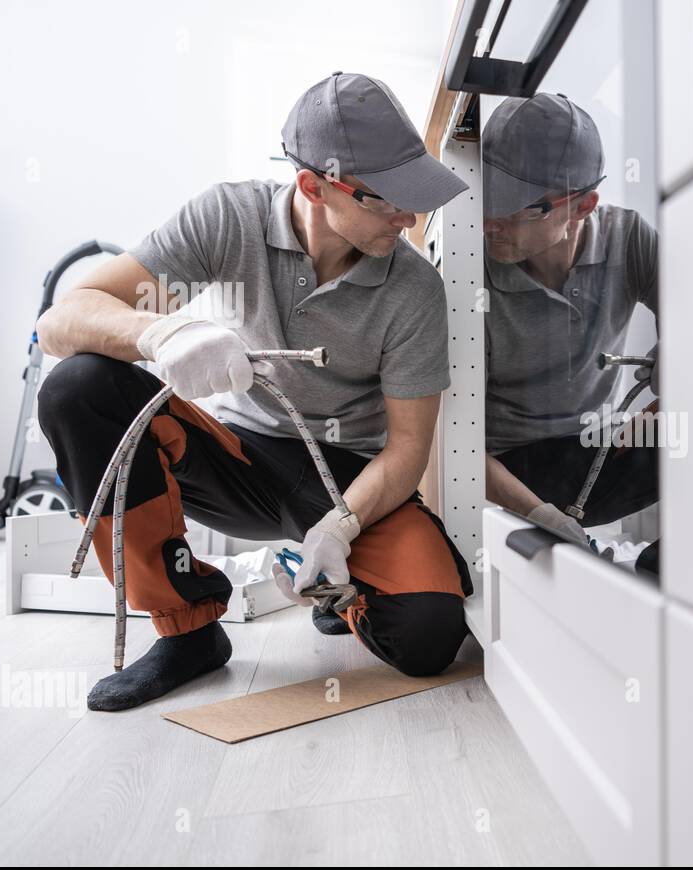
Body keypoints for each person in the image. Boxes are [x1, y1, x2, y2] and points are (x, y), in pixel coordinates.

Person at [35, 72, 473, 711]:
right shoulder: (228, 218)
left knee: (430, 637)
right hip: (233, 457)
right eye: (388, 200)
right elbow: (59, 322)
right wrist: (163, 331)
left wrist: (341, 527)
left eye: (417, 196)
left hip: (344, 480)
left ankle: (334, 594)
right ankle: (188, 633)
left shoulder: (413, 290)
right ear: (313, 186)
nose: (412, 219)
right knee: (78, 385)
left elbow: (407, 449)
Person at [480, 93, 660, 554]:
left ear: (582, 205)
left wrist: (684, 367)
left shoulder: (629, 238)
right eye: (487, 196)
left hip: (597, 446)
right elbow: (450, 439)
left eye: (515, 206)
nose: (489, 221)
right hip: (502, 471)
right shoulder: (469, 264)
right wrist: (538, 514)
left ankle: (671, 569)